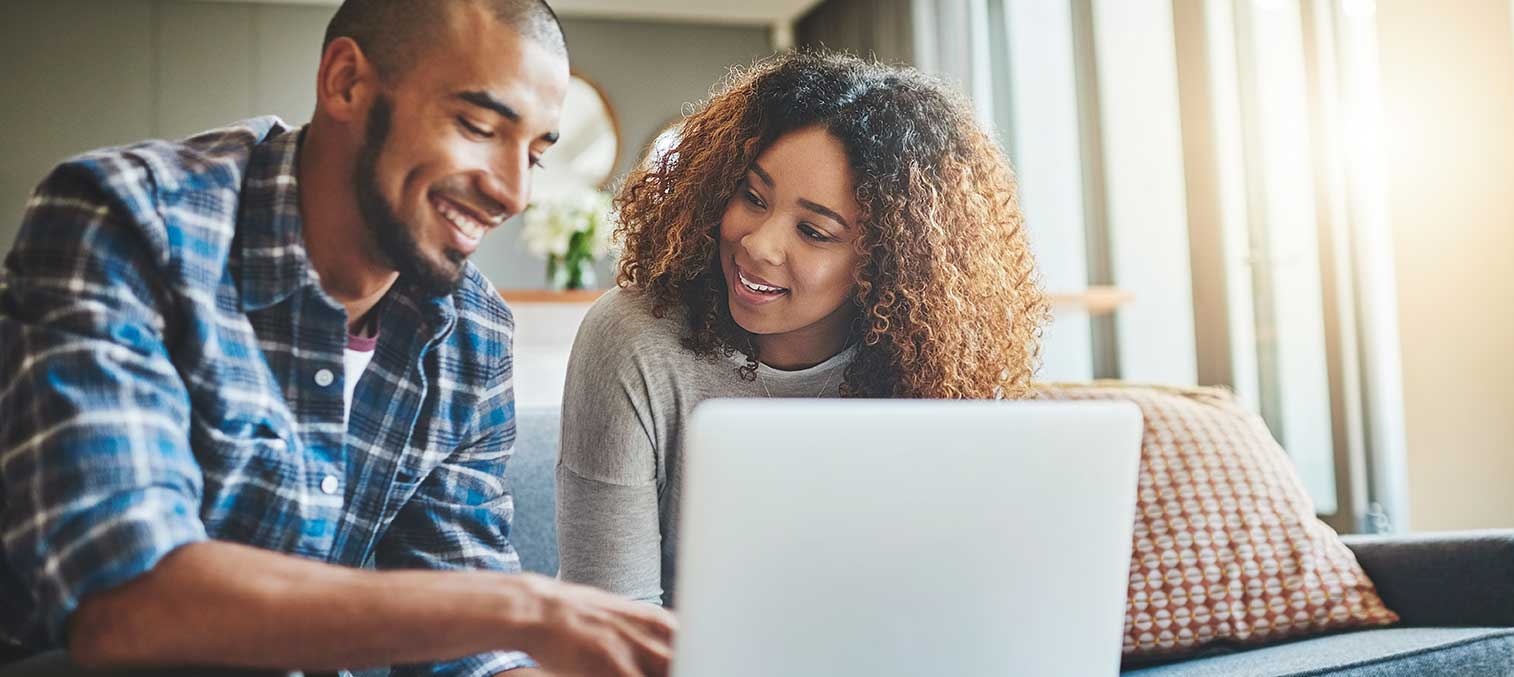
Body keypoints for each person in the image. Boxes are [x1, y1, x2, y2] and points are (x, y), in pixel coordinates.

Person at [0, 1, 672, 675]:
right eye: (477, 126)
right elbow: (125, 602)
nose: (512, 192)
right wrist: (523, 607)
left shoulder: (472, 332)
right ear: (345, 81)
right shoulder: (128, 223)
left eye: (534, 155)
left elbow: (467, 653)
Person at [555, 50, 1050, 606]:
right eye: (753, 197)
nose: (758, 245)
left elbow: (962, 600)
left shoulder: (938, 368)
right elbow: (608, 623)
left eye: (814, 232)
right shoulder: (634, 340)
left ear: (886, 260)